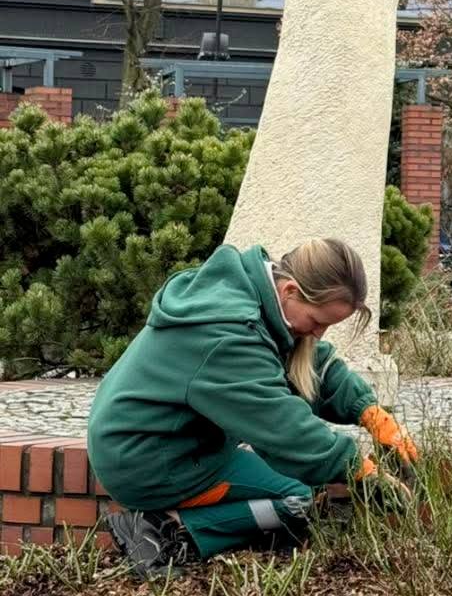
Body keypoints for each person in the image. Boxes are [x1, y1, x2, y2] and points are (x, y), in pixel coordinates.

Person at [88, 238, 417, 578]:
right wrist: (358, 470)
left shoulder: (250, 297)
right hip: (145, 460)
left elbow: (316, 366)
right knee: (298, 498)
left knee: (307, 482)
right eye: (318, 321)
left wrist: (370, 412)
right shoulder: (228, 337)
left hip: (164, 443)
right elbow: (285, 430)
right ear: (290, 291)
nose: (319, 334)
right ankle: (163, 529)